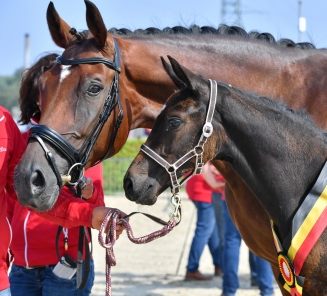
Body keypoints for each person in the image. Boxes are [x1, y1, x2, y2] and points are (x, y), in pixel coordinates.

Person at [0, 59, 125, 295]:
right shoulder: (20, 138)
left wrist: (89, 194)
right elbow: (10, 203)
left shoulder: (82, 147)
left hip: (64, 263)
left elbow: (96, 204)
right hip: (20, 268)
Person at [7, 163, 104, 295]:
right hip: (21, 269)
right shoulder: (21, 148)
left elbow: (99, 208)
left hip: (67, 266)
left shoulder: (88, 149)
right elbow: (9, 209)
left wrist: (91, 193)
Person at [221, 197, 274, 296]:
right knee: (261, 240)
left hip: (231, 196)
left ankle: (229, 290)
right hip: (256, 197)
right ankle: (266, 289)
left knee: (231, 240)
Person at [184, 162, 225, 281]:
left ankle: (219, 265)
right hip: (206, 189)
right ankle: (191, 268)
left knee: (212, 231)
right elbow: (204, 163)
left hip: (202, 187)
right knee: (204, 230)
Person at [202, 162, 226, 276]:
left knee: (224, 235)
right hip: (219, 189)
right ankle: (221, 266)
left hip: (221, 187)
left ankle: (220, 266)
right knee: (225, 235)